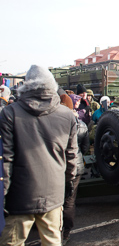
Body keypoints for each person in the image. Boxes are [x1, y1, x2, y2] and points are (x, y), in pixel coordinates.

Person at [0, 65, 78, 246]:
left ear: (26, 85)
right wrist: (67, 186)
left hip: (19, 196)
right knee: (52, 242)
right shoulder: (67, 115)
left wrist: (3, 195)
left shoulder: (10, 113)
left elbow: (6, 160)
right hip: (54, 194)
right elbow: (72, 157)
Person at [61, 92, 90, 245]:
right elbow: (84, 147)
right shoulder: (81, 124)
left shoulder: (57, 122)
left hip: (59, 166)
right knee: (70, 201)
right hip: (76, 166)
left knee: (58, 200)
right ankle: (66, 232)